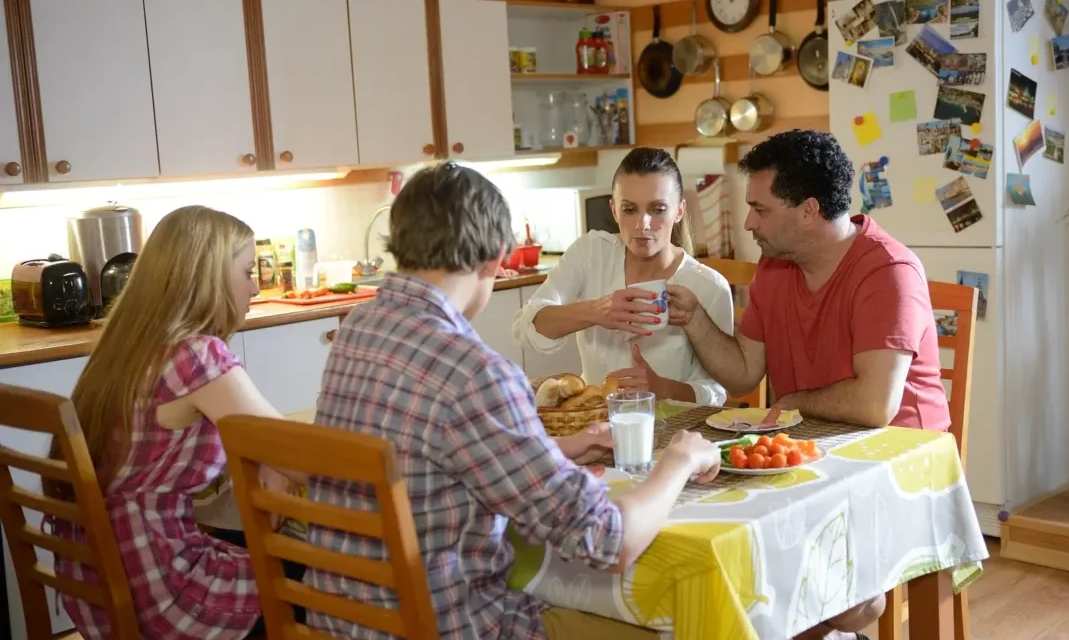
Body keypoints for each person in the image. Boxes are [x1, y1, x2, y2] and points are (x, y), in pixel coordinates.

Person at [307, 162, 722, 640]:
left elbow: (428, 454)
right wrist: (678, 461)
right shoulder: (477, 373)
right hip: (454, 626)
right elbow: (606, 540)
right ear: (494, 258)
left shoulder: (358, 328)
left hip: (343, 622)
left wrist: (558, 449)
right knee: (679, 625)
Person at [667, 130, 951, 640]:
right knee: (717, 561)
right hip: (811, 458)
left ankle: (848, 622)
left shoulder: (888, 271)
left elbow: (874, 405)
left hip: (900, 472)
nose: (749, 222)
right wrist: (695, 321)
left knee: (826, 598)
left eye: (760, 208)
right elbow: (742, 371)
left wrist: (793, 402)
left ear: (809, 210)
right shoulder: (775, 267)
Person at [43, 205, 306, 640]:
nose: (255, 289)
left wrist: (275, 457)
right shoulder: (195, 355)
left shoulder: (121, 350)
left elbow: (276, 448)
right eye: (246, 272)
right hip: (168, 595)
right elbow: (302, 457)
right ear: (209, 278)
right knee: (333, 580)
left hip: (101, 588)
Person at [513, 147, 734, 406]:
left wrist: (663, 388)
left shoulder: (708, 286)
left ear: (679, 211)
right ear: (614, 210)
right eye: (630, 209)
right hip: (594, 423)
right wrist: (596, 311)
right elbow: (526, 328)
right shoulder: (591, 252)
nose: (643, 224)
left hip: (674, 431)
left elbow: (717, 392)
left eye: (658, 208)